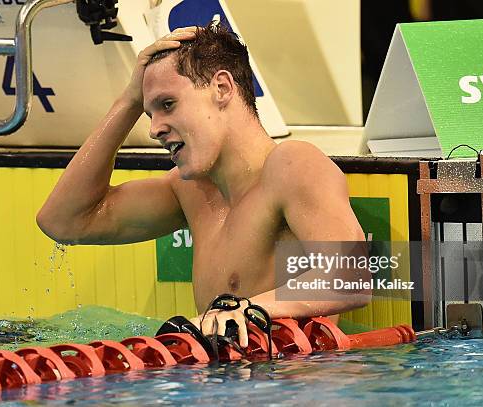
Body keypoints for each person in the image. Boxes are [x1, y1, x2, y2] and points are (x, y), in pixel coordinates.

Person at [37, 23, 369, 349]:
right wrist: (128, 101)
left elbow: (350, 277)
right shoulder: (191, 191)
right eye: (147, 111)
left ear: (222, 89)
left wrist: (249, 308)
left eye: (167, 105)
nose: (154, 129)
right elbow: (64, 222)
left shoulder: (291, 166)